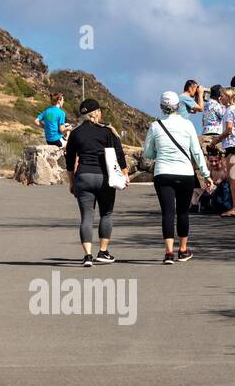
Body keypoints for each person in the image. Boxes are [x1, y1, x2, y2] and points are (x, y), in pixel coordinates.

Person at [142, 90, 213, 264]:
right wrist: (206, 175)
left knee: (167, 213)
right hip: (185, 173)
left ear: (161, 107)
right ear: (178, 106)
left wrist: (161, 151)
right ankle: (182, 250)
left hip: (163, 173)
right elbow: (196, 152)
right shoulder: (187, 125)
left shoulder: (155, 126)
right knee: (182, 212)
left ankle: (168, 253)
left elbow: (148, 153)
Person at [64, 99, 128, 266]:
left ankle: (87, 256)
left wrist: (71, 182)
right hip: (104, 178)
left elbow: (70, 161)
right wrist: (125, 175)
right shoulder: (107, 131)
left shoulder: (76, 133)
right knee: (106, 214)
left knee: (86, 217)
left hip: (83, 177)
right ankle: (103, 251)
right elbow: (119, 155)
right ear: (97, 113)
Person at [214, 87, 235, 218]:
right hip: (234, 146)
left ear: (228, 97)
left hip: (234, 147)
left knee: (234, 179)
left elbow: (228, 129)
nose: (220, 97)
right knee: (233, 178)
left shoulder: (230, 110)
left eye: (222, 95)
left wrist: (217, 140)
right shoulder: (233, 109)